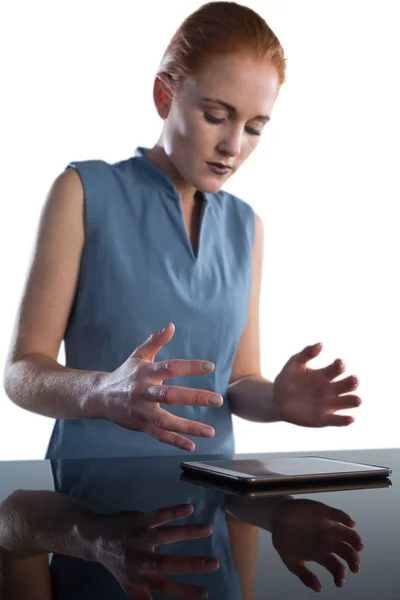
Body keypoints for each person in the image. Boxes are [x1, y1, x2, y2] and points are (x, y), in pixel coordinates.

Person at [3, 1, 361, 460]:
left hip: (216, 506)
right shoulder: (82, 191)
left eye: (254, 128)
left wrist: (277, 401)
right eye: (216, 116)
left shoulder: (246, 226)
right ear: (164, 96)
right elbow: (21, 373)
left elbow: (237, 382)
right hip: (92, 510)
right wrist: (103, 391)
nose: (233, 146)